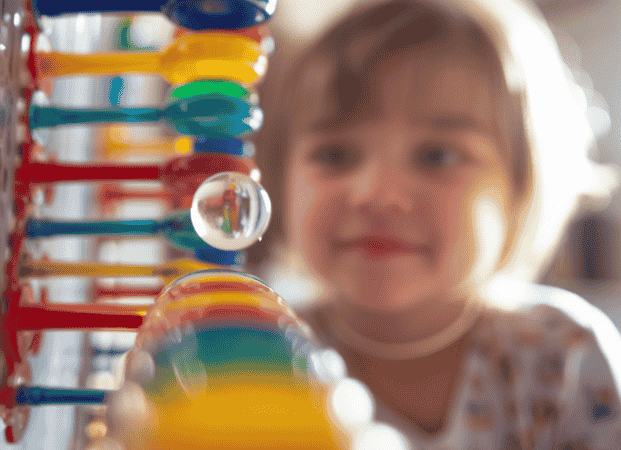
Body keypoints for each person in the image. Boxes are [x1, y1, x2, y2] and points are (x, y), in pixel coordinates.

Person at [248, 0, 621, 448]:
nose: (375, 193)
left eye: (436, 156)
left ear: (522, 184)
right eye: (335, 155)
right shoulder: (263, 360)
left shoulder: (562, 354)